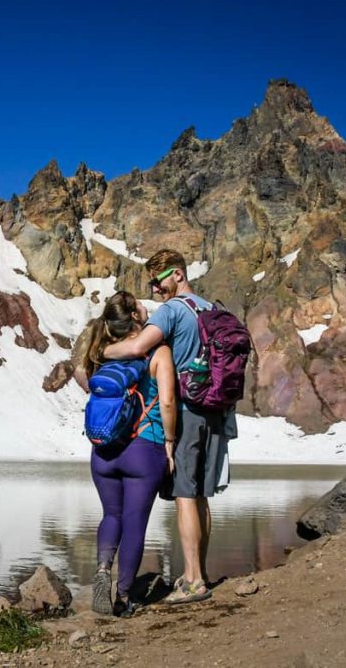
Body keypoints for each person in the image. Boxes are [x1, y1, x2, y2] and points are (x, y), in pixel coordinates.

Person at [103, 249, 236, 605]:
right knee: (201, 495)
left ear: (178, 275)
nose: (155, 288)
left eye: (158, 281)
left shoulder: (174, 310)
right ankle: (198, 572)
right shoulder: (211, 308)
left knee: (185, 495)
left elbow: (137, 348)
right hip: (216, 412)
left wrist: (107, 352)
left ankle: (194, 582)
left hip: (189, 412)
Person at [76, 291, 178, 616]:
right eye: (140, 305)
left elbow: (83, 378)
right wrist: (171, 444)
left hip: (104, 451)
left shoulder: (102, 354)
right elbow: (167, 402)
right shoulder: (158, 351)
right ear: (135, 316)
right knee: (135, 524)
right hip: (144, 451)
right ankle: (123, 598)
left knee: (111, 516)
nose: (147, 307)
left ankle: (103, 570)